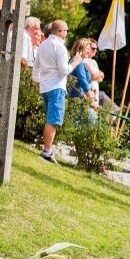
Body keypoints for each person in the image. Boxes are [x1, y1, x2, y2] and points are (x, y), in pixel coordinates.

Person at [35, 20, 82, 164]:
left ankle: (47, 150)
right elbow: (64, 70)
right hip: (56, 87)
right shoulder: (60, 47)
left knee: (50, 119)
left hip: (45, 86)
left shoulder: (43, 45)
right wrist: (76, 61)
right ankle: (47, 152)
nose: (66, 33)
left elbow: (36, 67)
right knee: (53, 121)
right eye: (66, 31)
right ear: (61, 32)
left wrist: (38, 81)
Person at [67, 39, 99, 115]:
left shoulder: (73, 60)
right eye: (87, 49)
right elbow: (83, 82)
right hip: (79, 99)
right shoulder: (79, 63)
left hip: (76, 98)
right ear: (80, 49)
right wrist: (92, 101)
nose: (89, 51)